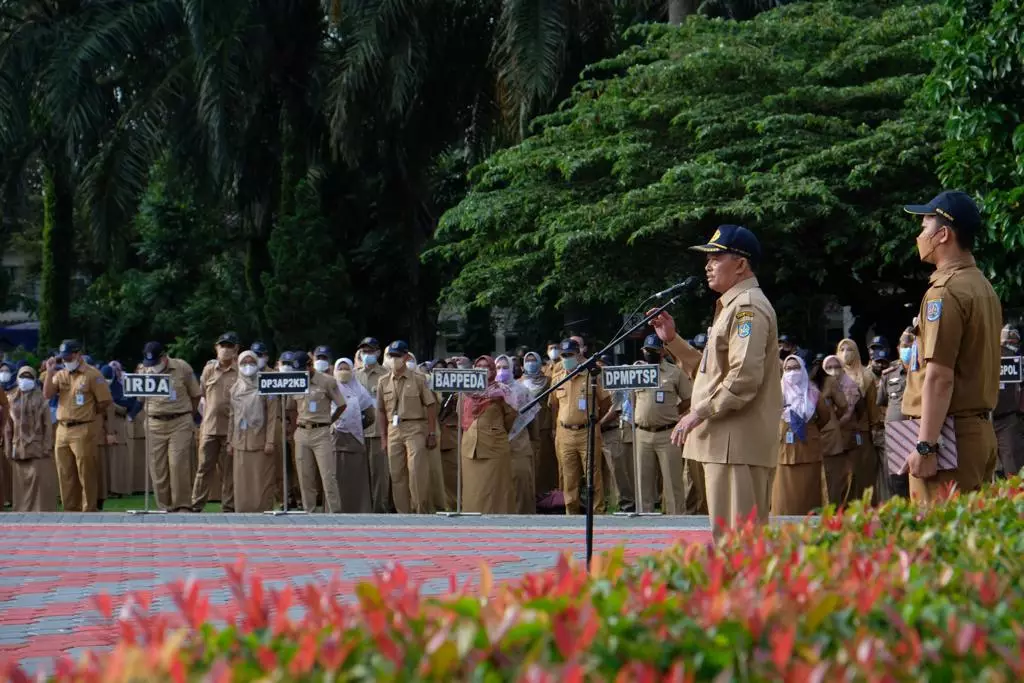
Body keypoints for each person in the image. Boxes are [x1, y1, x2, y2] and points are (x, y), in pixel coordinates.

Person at [650, 224, 782, 542]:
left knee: (739, 543)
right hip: (726, 444)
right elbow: (711, 373)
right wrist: (673, 341)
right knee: (730, 540)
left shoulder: (747, 307)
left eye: (716, 257)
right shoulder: (731, 307)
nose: (708, 265)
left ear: (741, 264)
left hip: (735, 445)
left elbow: (744, 378)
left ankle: (746, 593)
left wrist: (698, 412)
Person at [901, 191, 1001, 501]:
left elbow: (940, 377)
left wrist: (925, 446)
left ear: (943, 235)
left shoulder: (944, 293)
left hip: (948, 440)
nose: (920, 235)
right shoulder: (982, 286)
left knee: (937, 541)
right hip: (978, 433)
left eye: (925, 225)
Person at [42, 340, 113, 512]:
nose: (66, 361)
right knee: (65, 472)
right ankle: (70, 508)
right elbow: (47, 394)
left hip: (83, 427)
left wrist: (88, 413)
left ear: (77, 354)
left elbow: (105, 401)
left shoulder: (92, 374)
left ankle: (89, 508)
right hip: (62, 428)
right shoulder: (61, 374)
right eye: (63, 358)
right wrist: (50, 370)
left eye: (68, 357)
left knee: (85, 471)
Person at [549, 338, 611, 515]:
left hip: (587, 431)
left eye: (570, 355)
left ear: (578, 355)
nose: (566, 358)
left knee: (593, 475)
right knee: (569, 477)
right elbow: (553, 406)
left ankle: (598, 513)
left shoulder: (592, 376)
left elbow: (605, 402)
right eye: (564, 355)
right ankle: (572, 513)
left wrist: (596, 421)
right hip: (565, 433)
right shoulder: (557, 380)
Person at [633, 334, 692, 514]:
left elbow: (688, 399)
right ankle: (646, 522)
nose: (649, 353)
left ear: (662, 352)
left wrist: (674, 412)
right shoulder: (637, 372)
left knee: (673, 482)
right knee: (643, 482)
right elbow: (633, 399)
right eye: (647, 351)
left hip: (667, 433)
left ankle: (677, 521)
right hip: (642, 433)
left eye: (653, 351)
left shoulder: (675, 372)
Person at [377, 340, 438, 514]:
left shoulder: (418, 379)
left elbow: (431, 405)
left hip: (415, 427)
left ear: (405, 356)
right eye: (391, 356)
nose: (394, 359)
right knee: (397, 473)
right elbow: (381, 410)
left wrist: (432, 432)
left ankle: (420, 511)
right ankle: (403, 513)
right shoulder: (383, 382)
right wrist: (383, 437)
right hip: (393, 429)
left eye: (397, 356)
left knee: (417, 472)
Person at [141, 341, 201, 512]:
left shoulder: (182, 368)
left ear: (164, 356)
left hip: (179, 422)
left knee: (178, 464)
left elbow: (196, 395)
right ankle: (164, 506)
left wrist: (188, 414)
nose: (154, 367)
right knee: (157, 467)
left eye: (156, 362)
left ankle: (182, 505)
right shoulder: (144, 371)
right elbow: (139, 399)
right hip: (154, 423)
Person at [287, 350, 346, 512]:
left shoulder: (327, 381)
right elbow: (291, 408)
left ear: (310, 365)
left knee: (328, 476)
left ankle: (335, 513)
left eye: (303, 369)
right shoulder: (296, 381)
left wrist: (329, 421)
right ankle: (309, 512)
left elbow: (341, 405)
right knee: (305, 477)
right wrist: (294, 429)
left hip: (321, 432)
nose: (301, 374)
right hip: (302, 431)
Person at [772, 355, 831, 515]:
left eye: (796, 368)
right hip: (784, 450)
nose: (792, 372)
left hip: (808, 450)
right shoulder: (777, 393)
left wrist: (811, 429)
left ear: (803, 370)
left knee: (809, 494)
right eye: (788, 369)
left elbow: (825, 417)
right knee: (784, 497)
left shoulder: (813, 393)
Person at [460, 356, 517, 513]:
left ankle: (499, 524)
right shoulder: (465, 392)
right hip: (470, 448)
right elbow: (461, 417)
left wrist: (493, 430)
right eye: (478, 366)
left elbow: (510, 417)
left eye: (486, 367)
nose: (482, 369)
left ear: (492, 370)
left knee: (495, 490)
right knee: (473, 491)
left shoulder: (502, 391)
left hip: (494, 447)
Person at [193, 332, 240, 512]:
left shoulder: (241, 371)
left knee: (228, 471)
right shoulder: (209, 370)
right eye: (223, 346)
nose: (225, 350)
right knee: (204, 468)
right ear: (216, 348)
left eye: (229, 346)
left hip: (230, 429)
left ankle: (228, 507)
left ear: (236, 349)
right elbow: (202, 394)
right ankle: (196, 505)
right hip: (210, 427)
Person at [228, 351, 279, 512]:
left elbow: (272, 416)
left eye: (251, 363)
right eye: (244, 363)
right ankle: (242, 511)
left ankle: (262, 510)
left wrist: (270, 440)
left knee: (261, 479)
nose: (247, 366)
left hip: (260, 440)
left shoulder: (266, 386)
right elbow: (232, 416)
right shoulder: (235, 388)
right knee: (242, 480)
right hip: (240, 441)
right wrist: (230, 441)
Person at [4, 366, 57, 511]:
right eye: (22, 377)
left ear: (34, 380)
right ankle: (21, 510)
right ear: (17, 379)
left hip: (38, 446)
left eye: (29, 377)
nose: (25, 380)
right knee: (20, 482)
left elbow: (47, 425)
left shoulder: (42, 400)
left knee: (39, 480)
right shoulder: (11, 399)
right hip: (18, 446)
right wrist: (8, 447)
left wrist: (47, 446)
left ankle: (41, 510)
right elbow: (8, 427)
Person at [836, 338, 881, 502]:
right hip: (837, 436)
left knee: (861, 475)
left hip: (860, 435)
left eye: (849, 350)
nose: (845, 354)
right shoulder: (831, 375)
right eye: (842, 350)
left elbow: (872, 408)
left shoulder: (866, 376)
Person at [332, 358, 376, 513]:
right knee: (335, 478)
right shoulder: (330, 388)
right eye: (340, 368)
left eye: (347, 369)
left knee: (356, 479)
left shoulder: (360, 390)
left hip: (355, 441)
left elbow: (371, 416)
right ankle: (336, 509)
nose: (343, 372)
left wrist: (357, 428)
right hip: (333, 441)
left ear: (352, 371)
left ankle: (359, 510)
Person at [496, 354, 537, 514]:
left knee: (522, 482)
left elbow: (533, 417)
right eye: (498, 367)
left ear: (512, 369)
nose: (502, 371)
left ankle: (524, 517)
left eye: (505, 367)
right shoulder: (490, 391)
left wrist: (535, 441)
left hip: (519, 442)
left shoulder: (522, 390)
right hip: (498, 443)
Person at [356, 337, 391, 513]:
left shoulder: (386, 374)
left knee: (380, 476)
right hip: (358, 432)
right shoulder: (355, 375)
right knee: (360, 475)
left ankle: (380, 510)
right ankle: (363, 510)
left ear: (378, 352)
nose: (367, 355)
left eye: (370, 351)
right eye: (364, 352)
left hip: (379, 431)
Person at [878, 329, 914, 498]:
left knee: (917, 478)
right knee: (895, 479)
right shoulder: (889, 373)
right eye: (904, 346)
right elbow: (883, 403)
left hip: (918, 432)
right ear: (899, 348)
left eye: (911, 345)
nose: (907, 349)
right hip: (895, 435)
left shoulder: (923, 370)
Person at [520, 350, 558, 497]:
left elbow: (554, 404)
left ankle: (547, 494)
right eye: (528, 360)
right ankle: (530, 493)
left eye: (533, 360)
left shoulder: (549, 381)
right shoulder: (519, 383)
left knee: (545, 462)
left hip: (544, 426)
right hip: (525, 428)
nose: (531, 363)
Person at [993, 325, 1024, 478]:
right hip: (985, 419)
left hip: (1008, 419)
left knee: (1013, 470)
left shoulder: (1018, 362)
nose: (1010, 346)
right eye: (1006, 342)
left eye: (1013, 342)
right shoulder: (988, 357)